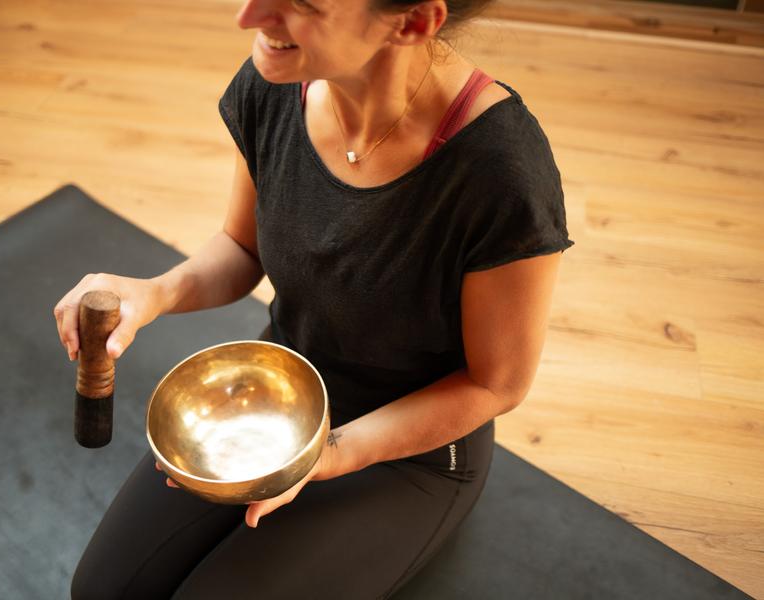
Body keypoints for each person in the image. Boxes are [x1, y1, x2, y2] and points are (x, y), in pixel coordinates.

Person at [57, 0, 574, 597]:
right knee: (98, 592)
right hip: (279, 398)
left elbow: (496, 385)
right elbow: (240, 247)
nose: (249, 17)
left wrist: (328, 455)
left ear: (413, 21)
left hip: (415, 451)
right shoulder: (277, 78)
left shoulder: (501, 170)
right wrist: (153, 293)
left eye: (301, 3)